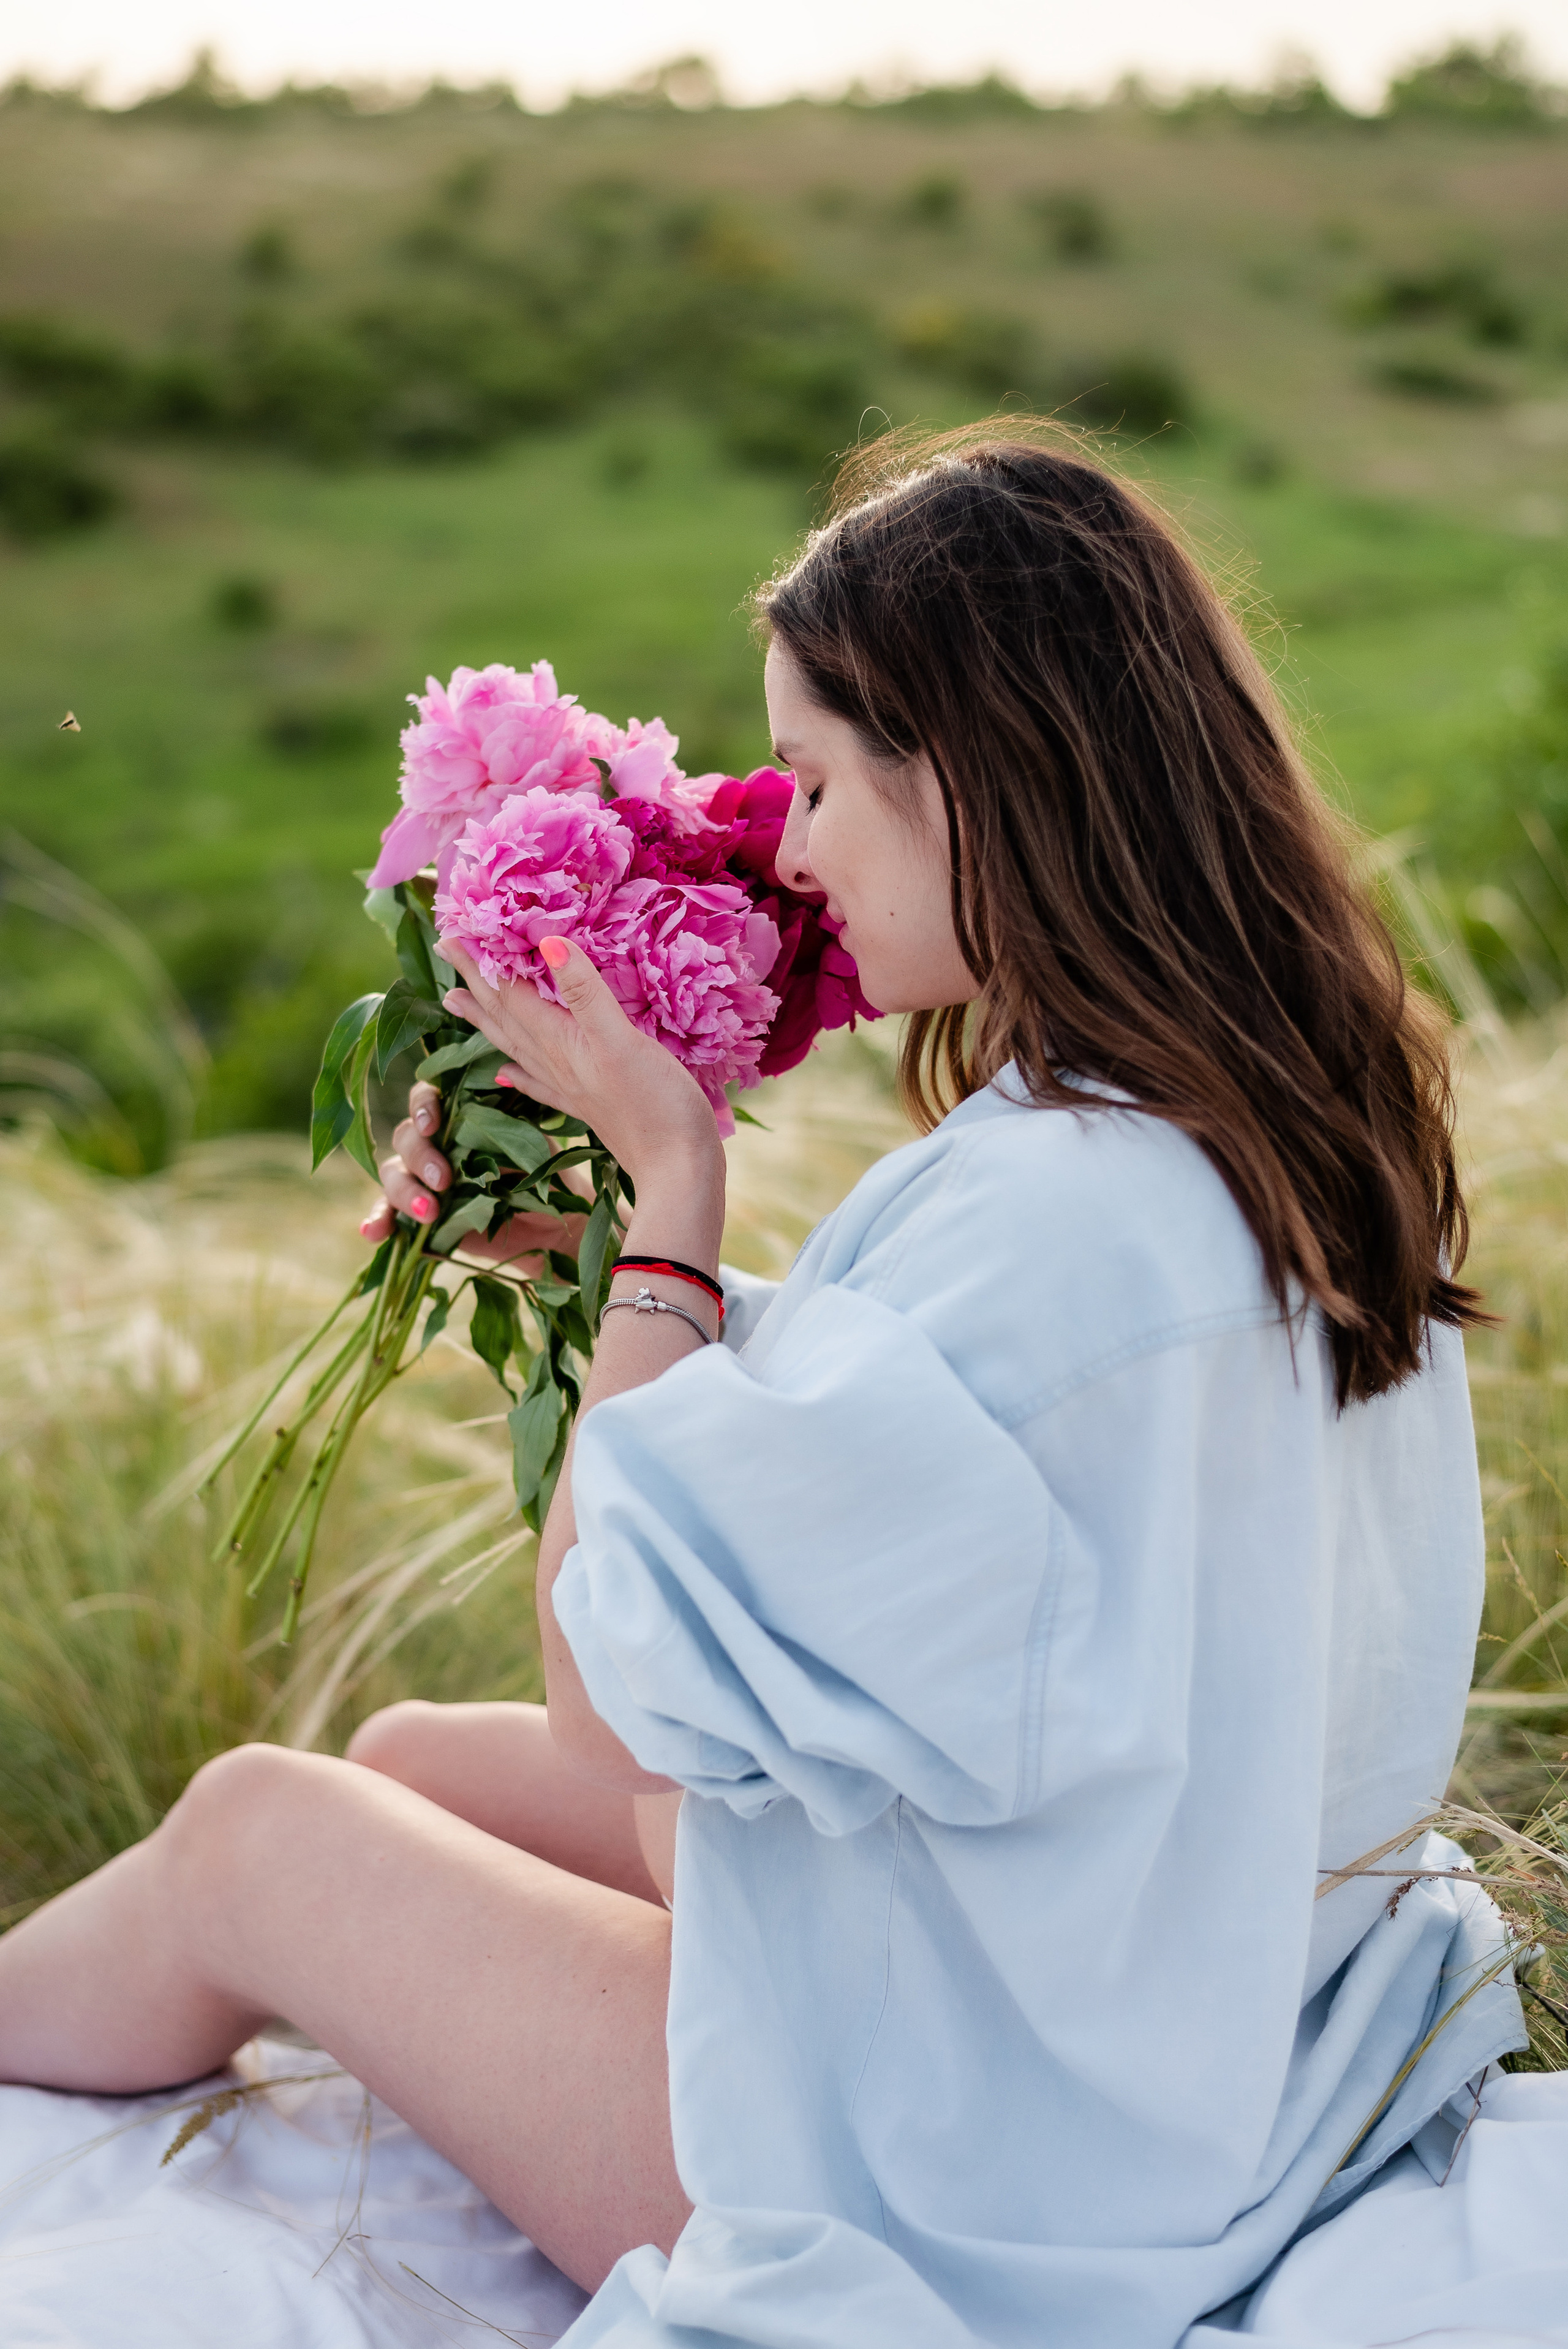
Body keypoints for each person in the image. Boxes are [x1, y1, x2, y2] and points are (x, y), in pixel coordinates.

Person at [0, 426, 1524, 2349]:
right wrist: (609, 1259)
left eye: (812, 780)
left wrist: (670, 1191)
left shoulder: (1045, 1204)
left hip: (963, 2164)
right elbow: (983, 1451)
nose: (790, 848)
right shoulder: (1276, 1128)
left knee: (257, 1829)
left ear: (971, 769)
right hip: (1186, 2016)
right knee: (402, 1768)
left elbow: (607, 1683)